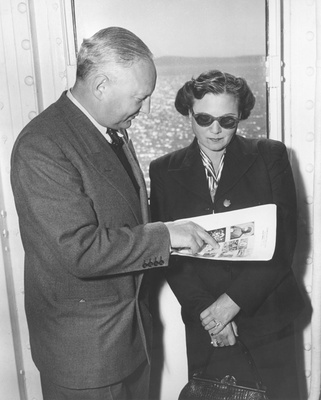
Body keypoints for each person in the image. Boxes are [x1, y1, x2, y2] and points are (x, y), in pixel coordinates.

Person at [10, 27, 217, 400]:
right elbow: (78, 250)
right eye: (141, 97)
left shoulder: (112, 129)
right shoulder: (42, 145)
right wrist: (167, 234)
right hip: (87, 358)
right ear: (102, 85)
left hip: (129, 340)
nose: (147, 109)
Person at [149, 69, 306, 400]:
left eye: (227, 120)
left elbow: (283, 244)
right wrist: (211, 316)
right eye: (204, 118)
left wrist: (231, 305)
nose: (215, 129)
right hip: (206, 324)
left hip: (268, 318)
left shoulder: (270, 156)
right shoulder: (164, 169)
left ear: (241, 117)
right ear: (188, 115)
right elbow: (170, 253)